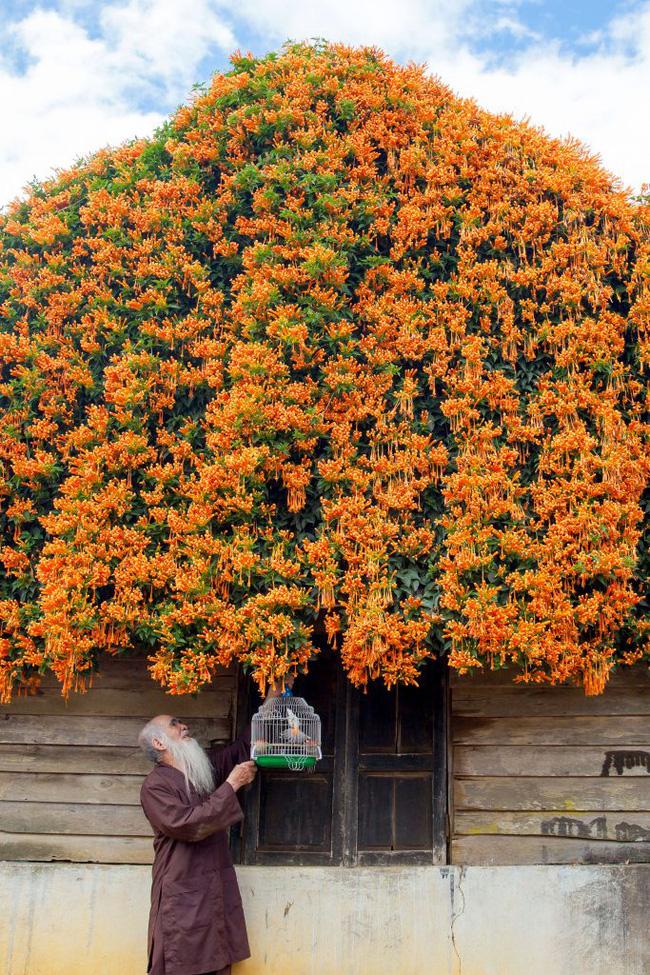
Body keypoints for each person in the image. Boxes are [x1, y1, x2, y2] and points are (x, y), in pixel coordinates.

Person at [138, 709, 257, 975]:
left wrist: (271, 697)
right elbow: (187, 824)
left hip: (213, 884)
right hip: (182, 887)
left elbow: (241, 749)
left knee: (217, 954)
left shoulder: (199, 774)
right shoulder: (155, 786)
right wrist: (231, 786)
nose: (184, 725)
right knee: (183, 957)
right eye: (175, 724)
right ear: (159, 743)